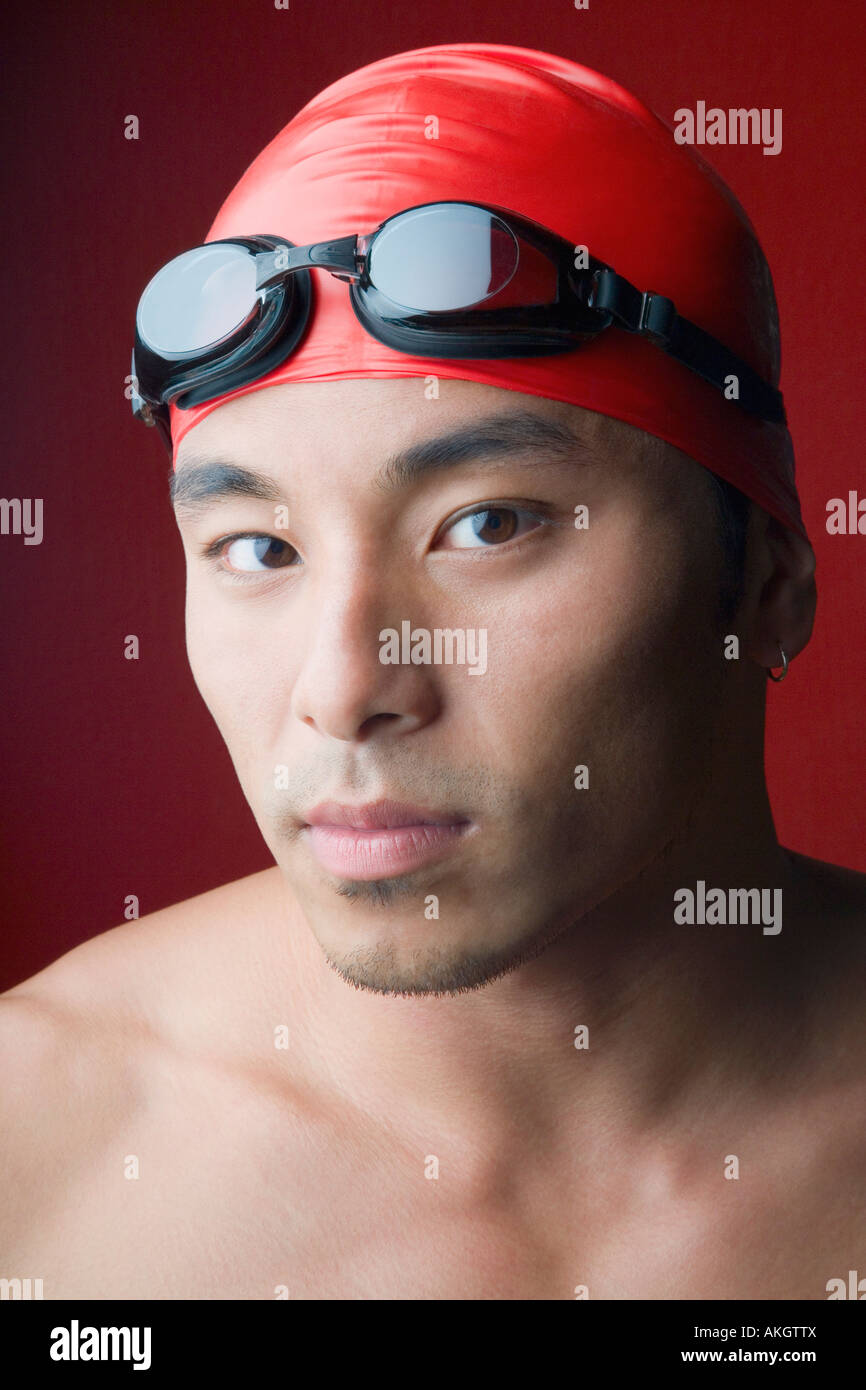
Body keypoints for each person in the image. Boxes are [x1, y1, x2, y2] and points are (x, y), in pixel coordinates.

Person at [2, 43, 864, 1302]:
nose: (345, 686)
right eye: (259, 547)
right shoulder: (39, 1145)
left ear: (768, 582)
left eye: (488, 525)